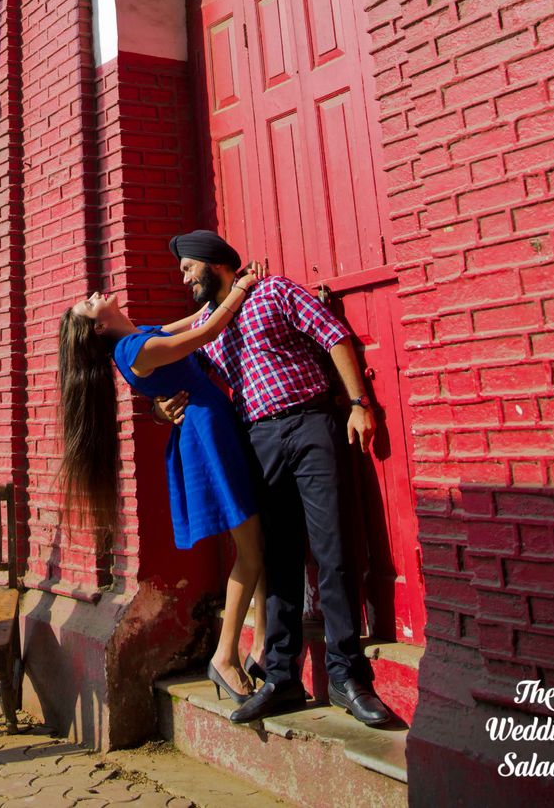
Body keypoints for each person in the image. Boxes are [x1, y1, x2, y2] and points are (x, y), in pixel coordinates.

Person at [158, 230, 393, 729]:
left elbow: (334, 336)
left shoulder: (275, 292)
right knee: (281, 562)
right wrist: (162, 407)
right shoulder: (207, 327)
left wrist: (357, 403)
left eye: (188, 267)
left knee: (333, 551)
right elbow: (170, 368)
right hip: (258, 441)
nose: (183, 277)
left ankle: (349, 677)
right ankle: (281, 677)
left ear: (215, 262)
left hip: (311, 424)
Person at [59, 267, 267, 703]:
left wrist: (227, 285)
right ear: (99, 325)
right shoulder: (135, 348)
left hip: (213, 427)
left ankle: (262, 647)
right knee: (250, 549)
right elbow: (205, 332)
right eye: (89, 302)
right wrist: (245, 288)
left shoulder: (139, 336)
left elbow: (195, 319)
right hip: (208, 435)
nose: (96, 293)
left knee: (256, 539)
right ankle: (225, 656)